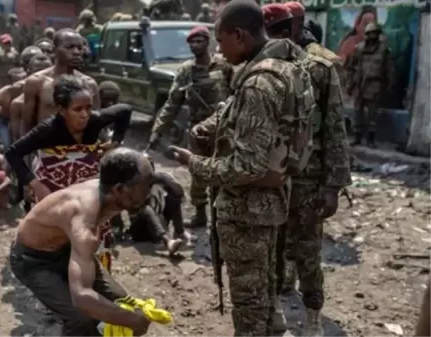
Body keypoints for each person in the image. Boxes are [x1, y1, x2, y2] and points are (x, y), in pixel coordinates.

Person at [170, 1, 315, 336]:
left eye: (221, 41)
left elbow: (246, 165)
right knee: (264, 295)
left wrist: (194, 163)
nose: (218, 50)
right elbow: (240, 117)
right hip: (270, 204)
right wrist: (210, 127)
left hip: (246, 210)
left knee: (249, 309)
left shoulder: (258, 83)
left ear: (239, 34)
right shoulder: (285, 67)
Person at [262, 4, 351, 336]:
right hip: (269, 179)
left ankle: (313, 316)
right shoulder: (261, 67)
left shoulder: (319, 68)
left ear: (294, 27)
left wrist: (333, 185)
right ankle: (274, 310)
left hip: (307, 180)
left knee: (307, 251)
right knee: (270, 247)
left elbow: (334, 130)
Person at [9, 148, 153, 337]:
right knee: (80, 321)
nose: (149, 192)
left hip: (65, 248)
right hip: (32, 260)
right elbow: (82, 297)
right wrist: (131, 320)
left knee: (124, 303)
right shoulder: (84, 220)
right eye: (146, 186)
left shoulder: (108, 190)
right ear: (119, 189)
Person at [147, 25, 232, 229]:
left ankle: (223, 216)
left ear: (208, 41)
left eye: (199, 41)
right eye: (192, 42)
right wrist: (158, 129)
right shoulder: (186, 70)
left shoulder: (225, 66)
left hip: (225, 128)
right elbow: (173, 102)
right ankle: (201, 213)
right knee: (198, 172)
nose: (196, 45)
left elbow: (237, 94)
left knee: (224, 171)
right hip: (198, 131)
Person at [6, 75, 131, 201]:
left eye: (88, 108)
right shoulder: (48, 130)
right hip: (51, 185)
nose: (85, 115)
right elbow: (12, 153)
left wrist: (115, 142)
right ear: (61, 110)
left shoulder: (94, 121)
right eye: (77, 109)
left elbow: (125, 110)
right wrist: (35, 185)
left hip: (86, 183)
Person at [21, 29, 100, 135]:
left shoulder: (89, 84)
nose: (76, 52)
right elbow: (27, 124)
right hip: (46, 148)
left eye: (80, 48)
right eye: (69, 47)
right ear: (54, 50)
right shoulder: (37, 82)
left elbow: (96, 125)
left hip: (79, 148)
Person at [345, 22, 394, 148]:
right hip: (359, 84)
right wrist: (350, 85)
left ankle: (371, 140)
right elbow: (351, 67)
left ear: (377, 34)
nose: (371, 36)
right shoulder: (359, 49)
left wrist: (389, 86)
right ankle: (357, 138)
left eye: (374, 34)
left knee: (373, 113)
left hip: (374, 84)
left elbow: (389, 69)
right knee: (357, 112)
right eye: (369, 34)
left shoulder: (384, 50)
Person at [0, 80, 25, 148]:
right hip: (3, 120)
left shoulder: (29, 92)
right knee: (7, 144)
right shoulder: (3, 94)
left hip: (21, 120)